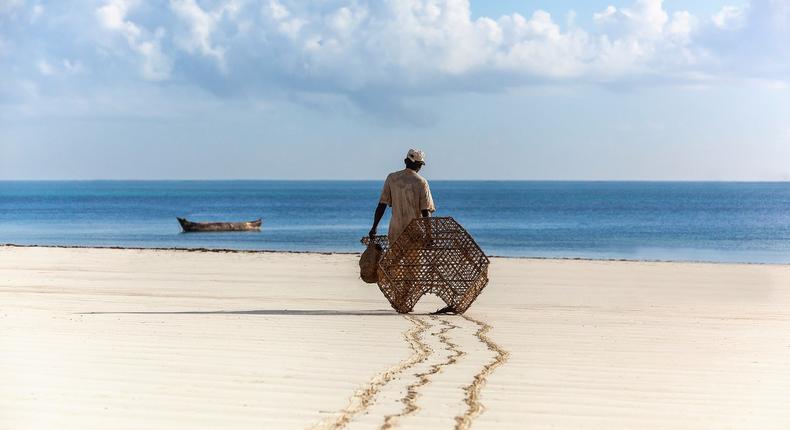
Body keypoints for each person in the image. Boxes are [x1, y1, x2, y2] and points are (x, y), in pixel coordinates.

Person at [369, 149, 453, 314]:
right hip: (415, 233)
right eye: (420, 165)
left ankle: (399, 297)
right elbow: (425, 211)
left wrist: (374, 227)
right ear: (419, 165)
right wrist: (429, 234)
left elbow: (382, 205)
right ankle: (405, 299)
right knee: (412, 268)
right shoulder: (421, 182)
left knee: (393, 266)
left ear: (405, 161)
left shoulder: (392, 178)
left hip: (395, 230)